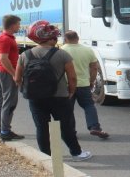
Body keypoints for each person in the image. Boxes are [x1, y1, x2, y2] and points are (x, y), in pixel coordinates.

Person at [14, 20, 92, 161]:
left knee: (41, 127)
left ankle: (46, 156)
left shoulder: (25, 55)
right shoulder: (62, 55)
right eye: (55, 37)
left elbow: (17, 78)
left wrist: (26, 90)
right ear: (50, 38)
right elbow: (72, 77)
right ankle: (76, 153)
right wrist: (71, 91)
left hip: (36, 98)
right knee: (65, 127)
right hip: (59, 97)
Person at [61, 30, 109, 139]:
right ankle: (94, 127)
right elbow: (94, 67)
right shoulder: (87, 50)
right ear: (78, 38)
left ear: (65, 39)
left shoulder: (62, 51)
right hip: (83, 84)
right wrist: (91, 81)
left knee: (68, 109)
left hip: (67, 85)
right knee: (89, 106)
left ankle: (70, 131)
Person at [0, 15, 25, 141]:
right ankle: (5, 131)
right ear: (12, 25)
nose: (19, 27)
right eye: (18, 24)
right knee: (9, 103)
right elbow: (4, 58)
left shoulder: (2, 37)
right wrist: (14, 74)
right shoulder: (5, 39)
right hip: (5, 73)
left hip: (0, 72)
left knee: (1, 101)